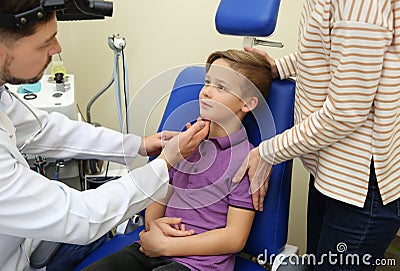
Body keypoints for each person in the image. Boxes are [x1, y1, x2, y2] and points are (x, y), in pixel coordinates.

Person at [0, 1, 210, 270]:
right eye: (45, 43)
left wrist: (139, 145)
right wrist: (165, 163)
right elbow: (83, 217)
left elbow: (45, 130)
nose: (57, 48)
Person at [233, 0, 400, 270]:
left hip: (358, 185)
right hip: (330, 170)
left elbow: (346, 112)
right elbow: (330, 53)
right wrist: (280, 67)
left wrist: (268, 152)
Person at [81, 49, 273, 271]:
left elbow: (234, 238)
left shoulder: (247, 160)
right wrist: (153, 228)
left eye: (220, 87)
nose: (206, 92)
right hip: (152, 249)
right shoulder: (186, 140)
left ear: (247, 103)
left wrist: (167, 246)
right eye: (207, 82)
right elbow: (160, 192)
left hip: (200, 265)